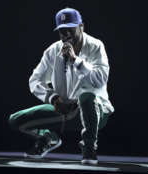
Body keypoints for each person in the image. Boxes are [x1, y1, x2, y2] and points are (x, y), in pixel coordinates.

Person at [9, 7, 114, 165]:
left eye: (70, 30)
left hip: (96, 112)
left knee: (87, 97)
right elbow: (34, 80)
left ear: (81, 27)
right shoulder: (53, 51)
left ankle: (89, 148)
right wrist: (54, 98)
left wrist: (75, 60)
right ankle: (49, 138)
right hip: (65, 109)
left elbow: (100, 80)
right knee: (16, 120)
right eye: (62, 31)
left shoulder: (96, 46)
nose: (67, 35)